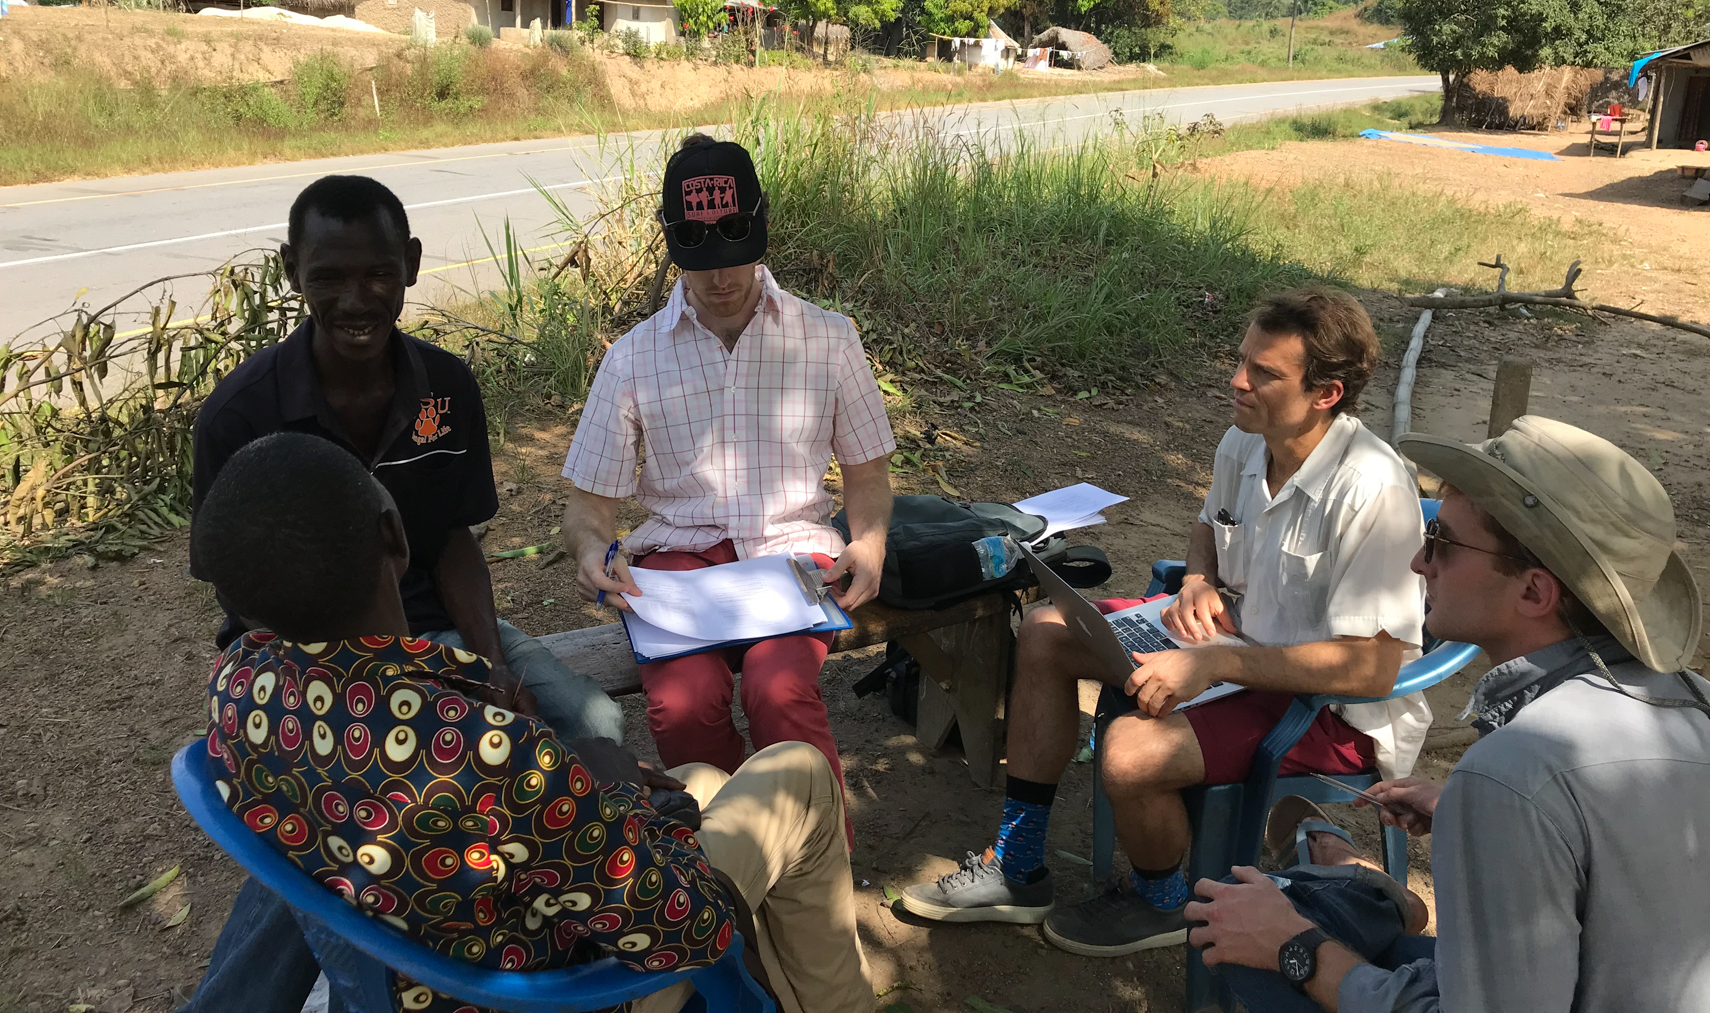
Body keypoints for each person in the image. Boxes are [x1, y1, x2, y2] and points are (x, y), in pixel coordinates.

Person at [184, 432, 874, 1013]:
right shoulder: (494, 754)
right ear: (393, 538)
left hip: (409, 954)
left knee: (702, 778)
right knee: (800, 776)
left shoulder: (241, 685)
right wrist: (606, 782)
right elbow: (683, 928)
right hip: (563, 987)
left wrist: (557, 769)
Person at [902, 287, 1430, 956]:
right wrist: (1199, 577)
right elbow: (1210, 524)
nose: (1236, 380)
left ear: (1325, 393)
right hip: (1230, 650)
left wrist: (1216, 662)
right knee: (1044, 629)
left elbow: (1371, 666)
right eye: (1241, 360)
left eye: (1263, 373)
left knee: (1129, 751)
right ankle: (1019, 863)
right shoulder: (1247, 440)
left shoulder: (1372, 488)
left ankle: (1163, 900)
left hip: (1325, 707)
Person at [1185, 415, 1710, 1013]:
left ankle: (1347, 890)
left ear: (1535, 593)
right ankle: (1363, 888)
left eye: (1444, 543)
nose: (1418, 562)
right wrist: (1471, 806)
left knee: (1242, 920)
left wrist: (1294, 950)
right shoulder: (1692, 701)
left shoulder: (1513, 775)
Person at [191, 173, 622, 747]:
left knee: (595, 725)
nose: (355, 299)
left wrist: (490, 662)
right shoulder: (239, 417)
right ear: (292, 271)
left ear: (412, 264)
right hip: (307, 656)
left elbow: (452, 538)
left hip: (435, 628)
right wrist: (387, 687)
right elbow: (242, 591)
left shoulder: (447, 387)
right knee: (453, 756)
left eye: (378, 273)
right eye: (328, 278)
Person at [559, 135, 896, 841]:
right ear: (673, 245)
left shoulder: (827, 338)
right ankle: (728, 844)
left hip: (788, 555)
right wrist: (593, 551)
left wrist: (869, 540)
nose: (719, 278)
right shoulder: (632, 359)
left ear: (760, 226)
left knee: (779, 692)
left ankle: (818, 853)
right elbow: (590, 504)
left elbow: (867, 471)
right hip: (681, 561)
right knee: (683, 705)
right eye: (697, 256)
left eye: (734, 249)